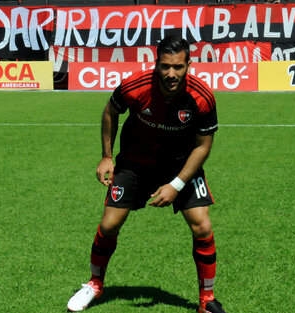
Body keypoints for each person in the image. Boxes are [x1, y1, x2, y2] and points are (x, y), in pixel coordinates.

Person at [67, 35, 226, 313]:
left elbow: (203, 147)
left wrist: (176, 184)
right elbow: (110, 111)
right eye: (165, 66)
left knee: (202, 225)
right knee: (109, 226)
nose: (171, 73)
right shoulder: (135, 86)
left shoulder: (202, 97)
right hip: (135, 163)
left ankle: (207, 300)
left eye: (178, 66)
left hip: (181, 165)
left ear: (189, 64)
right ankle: (94, 284)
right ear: (156, 64)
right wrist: (106, 155)